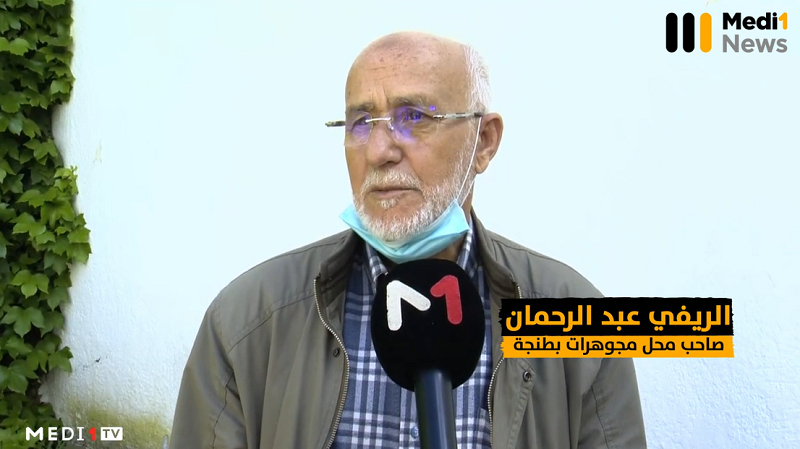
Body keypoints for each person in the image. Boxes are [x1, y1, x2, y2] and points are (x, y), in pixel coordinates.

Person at [168, 31, 647, 449]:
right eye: (361, 122)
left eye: (414, 116)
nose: (379, 150)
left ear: (483, 142)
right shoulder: (248, 321)